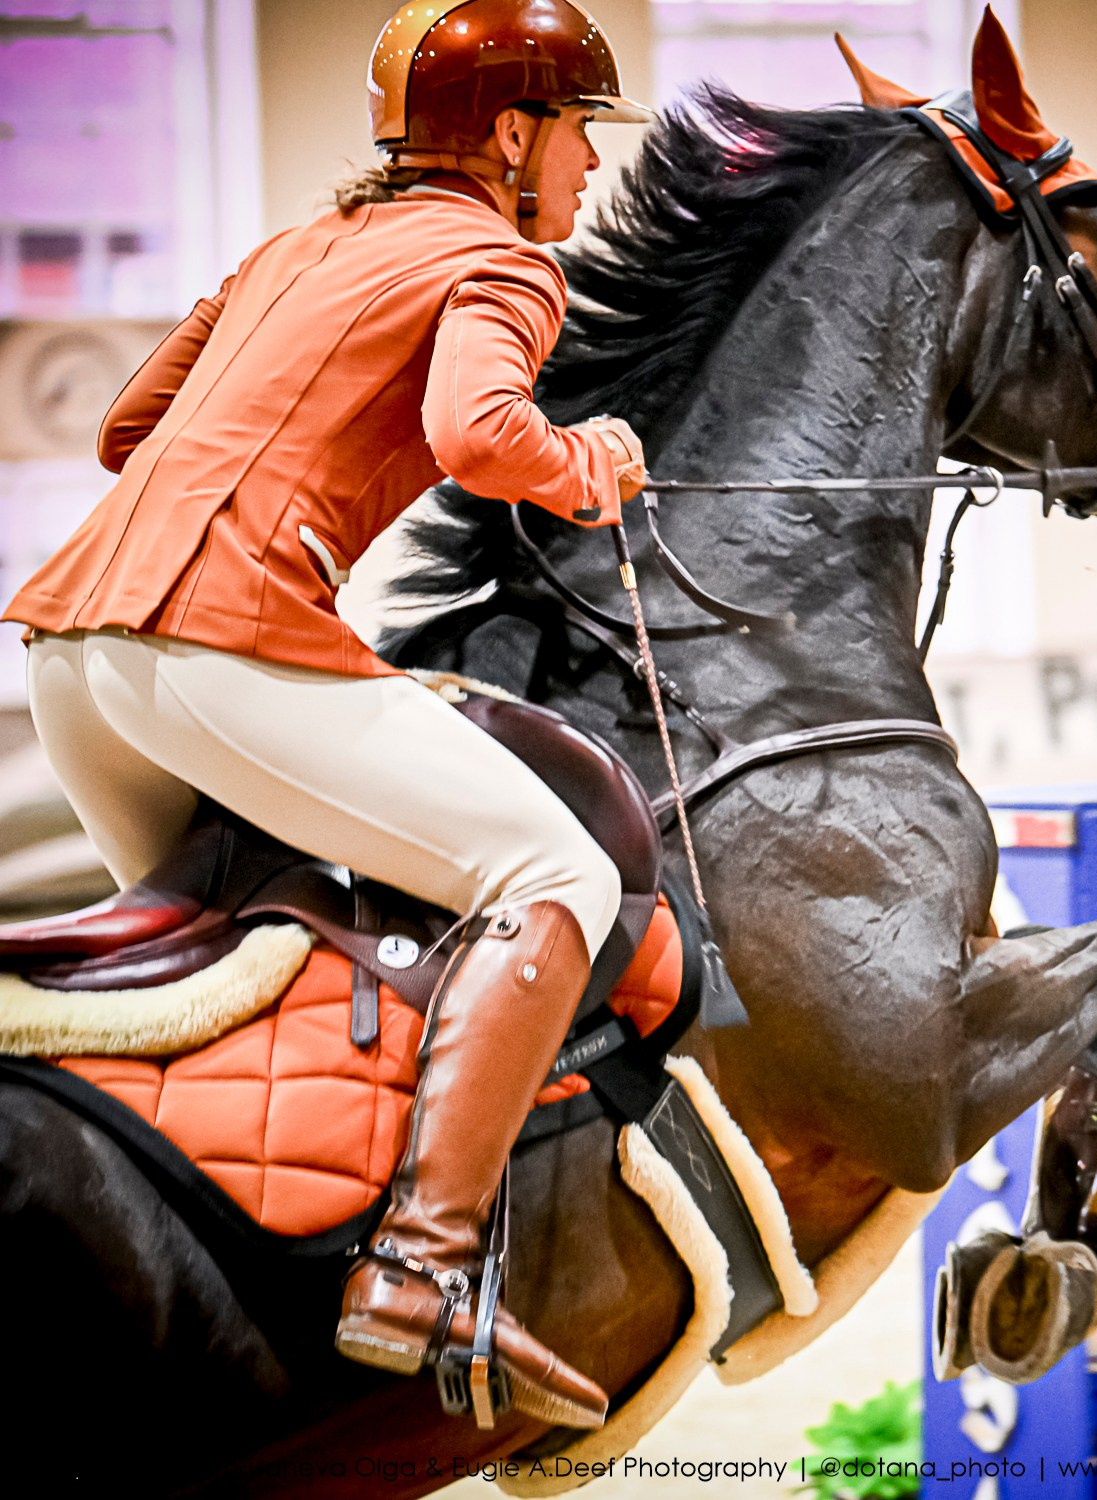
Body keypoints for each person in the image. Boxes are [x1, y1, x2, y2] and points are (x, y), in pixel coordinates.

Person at [2, 0, 654, 1431]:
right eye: (579, 133)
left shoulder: (293, 245)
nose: (590, 169)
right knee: (558, 875)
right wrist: (585, 462)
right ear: (507, 135)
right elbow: (483, 435)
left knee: (228, 955)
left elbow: (126, 432)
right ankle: (420, 1273)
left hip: (73, 658)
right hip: (214, 653)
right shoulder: (499, 257)